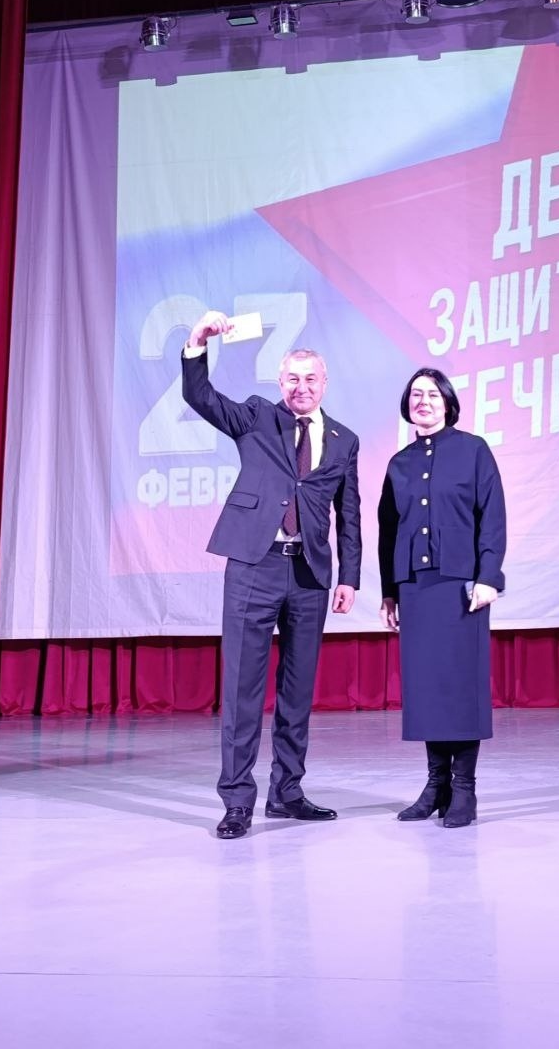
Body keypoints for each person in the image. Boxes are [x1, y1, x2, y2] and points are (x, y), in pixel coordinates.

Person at [182, 310, 361, 839]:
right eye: (292, 378)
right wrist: (197, 341)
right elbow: (201, 397)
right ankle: (237, 800)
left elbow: (349, 514)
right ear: (280, 382)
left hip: (309, 575)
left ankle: (287, 792)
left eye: (311, 379)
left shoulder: (345, 440)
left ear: (325, 383)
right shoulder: (258, 417)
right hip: (253, 567)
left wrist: (348, 577)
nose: (302, 387)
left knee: (297, 690)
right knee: (242, 689)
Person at [378, 368, 506, 828]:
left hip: (461, 587)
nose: (424, 401)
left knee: (460, 686)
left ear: (448, 402)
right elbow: (388, 531)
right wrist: (390, 592)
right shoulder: (399, 463)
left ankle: (464, 788)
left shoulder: (473, 450)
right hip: (416, 587)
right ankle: (436, 785)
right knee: (428, 687)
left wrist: (488, 576)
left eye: (432, 394)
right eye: (416, 394)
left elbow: (492, 517)